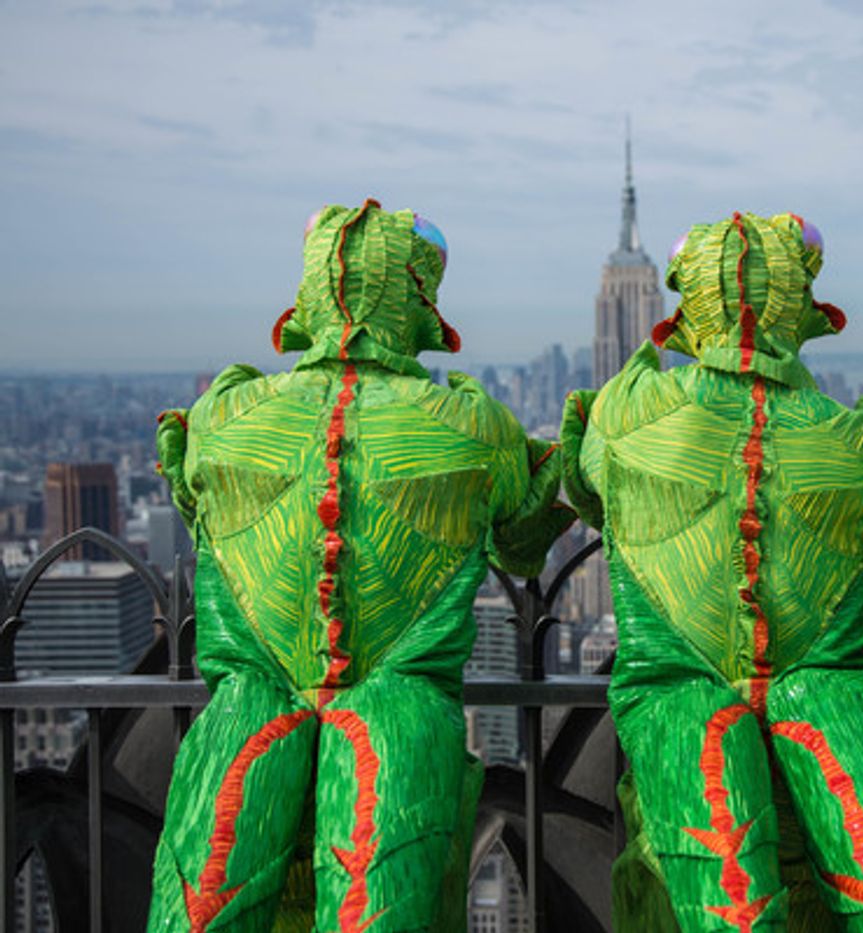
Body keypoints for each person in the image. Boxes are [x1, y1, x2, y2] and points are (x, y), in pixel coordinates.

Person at [148, 200, 572, 931]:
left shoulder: (224, 415)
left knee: (202, 896)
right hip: (396, 704)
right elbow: (523, 542)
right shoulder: (469, 425)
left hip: (250, 696)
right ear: (421, 302)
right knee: (382, 900)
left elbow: (198, 510)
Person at [562, 211, 863, 931]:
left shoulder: (626, 414)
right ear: (804, 304)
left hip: (682, 692)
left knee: (725, 897)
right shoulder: (856, 437)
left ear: (687, 306)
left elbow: (588, 490)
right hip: (826, 685)